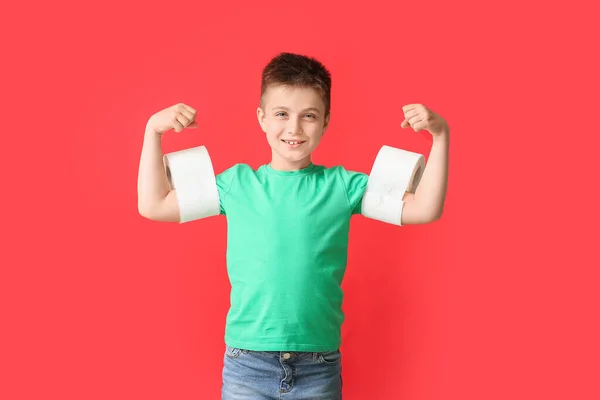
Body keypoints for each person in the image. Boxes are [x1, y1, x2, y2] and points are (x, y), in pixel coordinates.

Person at [137, 52, 449, 399]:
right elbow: (154, 204)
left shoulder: (342, 186)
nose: (294, 129)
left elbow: (424, 208)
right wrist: (153, 130)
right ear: (262, 118)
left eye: (309, 116)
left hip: (318, 365)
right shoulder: (236, 184)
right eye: (282, 114)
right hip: (247, 363)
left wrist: (440, 137)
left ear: (326, 121)